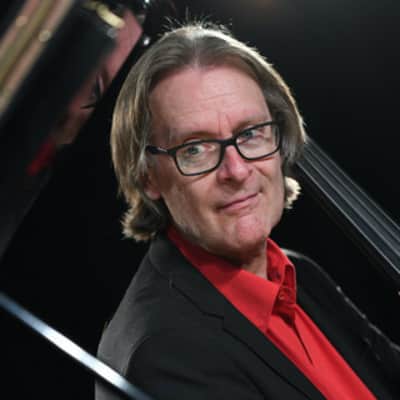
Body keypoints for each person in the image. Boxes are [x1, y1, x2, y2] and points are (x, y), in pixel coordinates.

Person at [96, 23, 399, 400]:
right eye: (195, 148)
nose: (237, 171)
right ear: (148, 176)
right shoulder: (164, 356)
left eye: (251, 133)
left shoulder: (297, 274)